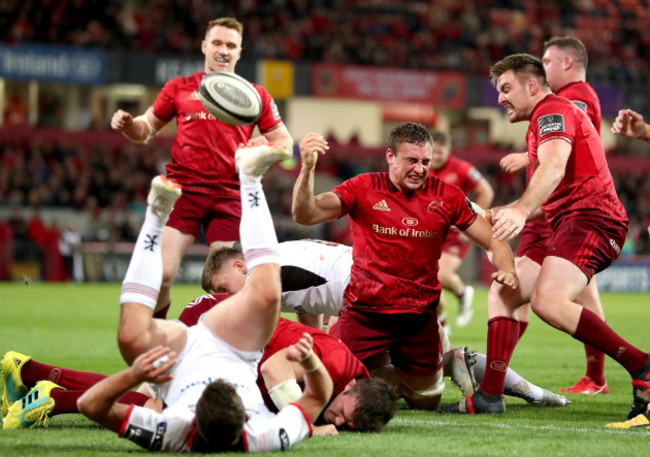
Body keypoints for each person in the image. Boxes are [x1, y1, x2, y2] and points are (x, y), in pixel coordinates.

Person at [15, 145, 331, 451]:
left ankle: (155, 215)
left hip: (179, 357)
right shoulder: (266, 435)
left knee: (131, 335)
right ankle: (251, 179)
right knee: (267, 295)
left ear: (191, 420)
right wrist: (311, 362)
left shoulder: (169, 432)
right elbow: (318, 396)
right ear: (247, 416)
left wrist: (135, 373)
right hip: (236, 350)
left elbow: (90, 404)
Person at [441, 54, 650, 422]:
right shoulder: (541, 121)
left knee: (548, 301)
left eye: (506, 89)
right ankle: (490, 394)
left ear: (532, 86)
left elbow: (553, 168)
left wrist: (519, 210)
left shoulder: (552, 110)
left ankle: (643, 368)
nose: (501, 98)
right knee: (504, 290)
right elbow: (550, 194)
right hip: (571, 221)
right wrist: (493, 213)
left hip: (594, 220)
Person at [291, 123, 518, 411]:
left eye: (425, 162)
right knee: (320, 382)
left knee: (426, 401)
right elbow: (305, 214)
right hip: (364, 315)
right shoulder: (362, 187)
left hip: (418, 321)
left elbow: (493, 242)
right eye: (412, 160)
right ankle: (363, 373)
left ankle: (378, 375)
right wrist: (308, 168)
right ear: (390, 156)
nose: (420, 169)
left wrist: (507, 268)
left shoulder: (447, 196)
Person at [198, 241, 567, 408]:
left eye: (222, 289)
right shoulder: (277, 257)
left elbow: (267, 335)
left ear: (239, 268)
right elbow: (305, 310)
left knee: (340, 381)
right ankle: (533, 391)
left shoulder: (262, 273)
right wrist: (323, 335)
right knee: (388, 380)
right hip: (384, 285)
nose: (225, 298)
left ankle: (452, 363)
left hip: (369, 296)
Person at [110, 17, 293, 319]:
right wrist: (129, 125)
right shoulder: (178, 88)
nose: (223, 50)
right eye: (218, 43)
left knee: (229, 284)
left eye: (231, 46)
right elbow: (145, 129)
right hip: (183, 192)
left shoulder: (255, 95)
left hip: (230, 197)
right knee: (162, 275)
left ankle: (222, 351)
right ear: (205, 46)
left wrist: (264, 149)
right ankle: (156, 341)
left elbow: (285, 143)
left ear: (239, 52)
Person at [498, 37, 610, 395]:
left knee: (520, 291)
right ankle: (597, 377)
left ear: (566, 63)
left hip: (562, 209)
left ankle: (601, 376)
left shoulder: (572, 97)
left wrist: (526, 157)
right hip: (558, 208)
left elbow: (563, 143)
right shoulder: (562, 103)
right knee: (567, 294)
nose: (541, 67)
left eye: (546, 61)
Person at [430, 131, 494, 328]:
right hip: (431, 232)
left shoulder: (461, 168)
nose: (436, 156)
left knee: (439, 275)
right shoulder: (422, 168)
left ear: (448, 150)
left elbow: (486, 191)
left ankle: (463, 294)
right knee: (427, 280)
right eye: (433, 151)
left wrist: (474, 222)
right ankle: (443, 324)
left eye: (440, 152)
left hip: (455, 234)